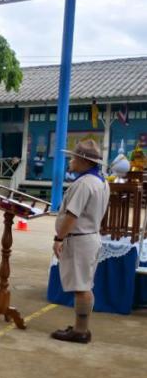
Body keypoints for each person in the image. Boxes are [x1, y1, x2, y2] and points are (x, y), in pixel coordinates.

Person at [51, 140, 110, 344]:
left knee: (81, 287)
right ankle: (80, 327)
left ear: (83, 161)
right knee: (84, 284)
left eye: (73, 157)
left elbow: (72, 215)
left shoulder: (84, 184)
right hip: (90, 237)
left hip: (80, 240)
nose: (70, 161)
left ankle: (80, 331)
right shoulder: (101, 181)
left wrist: (59, 238)